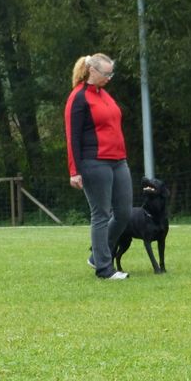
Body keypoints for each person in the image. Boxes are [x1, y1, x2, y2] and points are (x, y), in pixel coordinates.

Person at [64, 53, 133, 279]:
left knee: (124, 213)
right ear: (92, 71)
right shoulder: (78, 97)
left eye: (111, 74)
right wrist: (74, 171)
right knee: (101, 214)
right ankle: (104, 268)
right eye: (106, 74)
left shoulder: (105, 94)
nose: (109, 78)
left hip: (118, 160)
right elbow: (72, 137)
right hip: (94, 162)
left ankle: (97, 255)